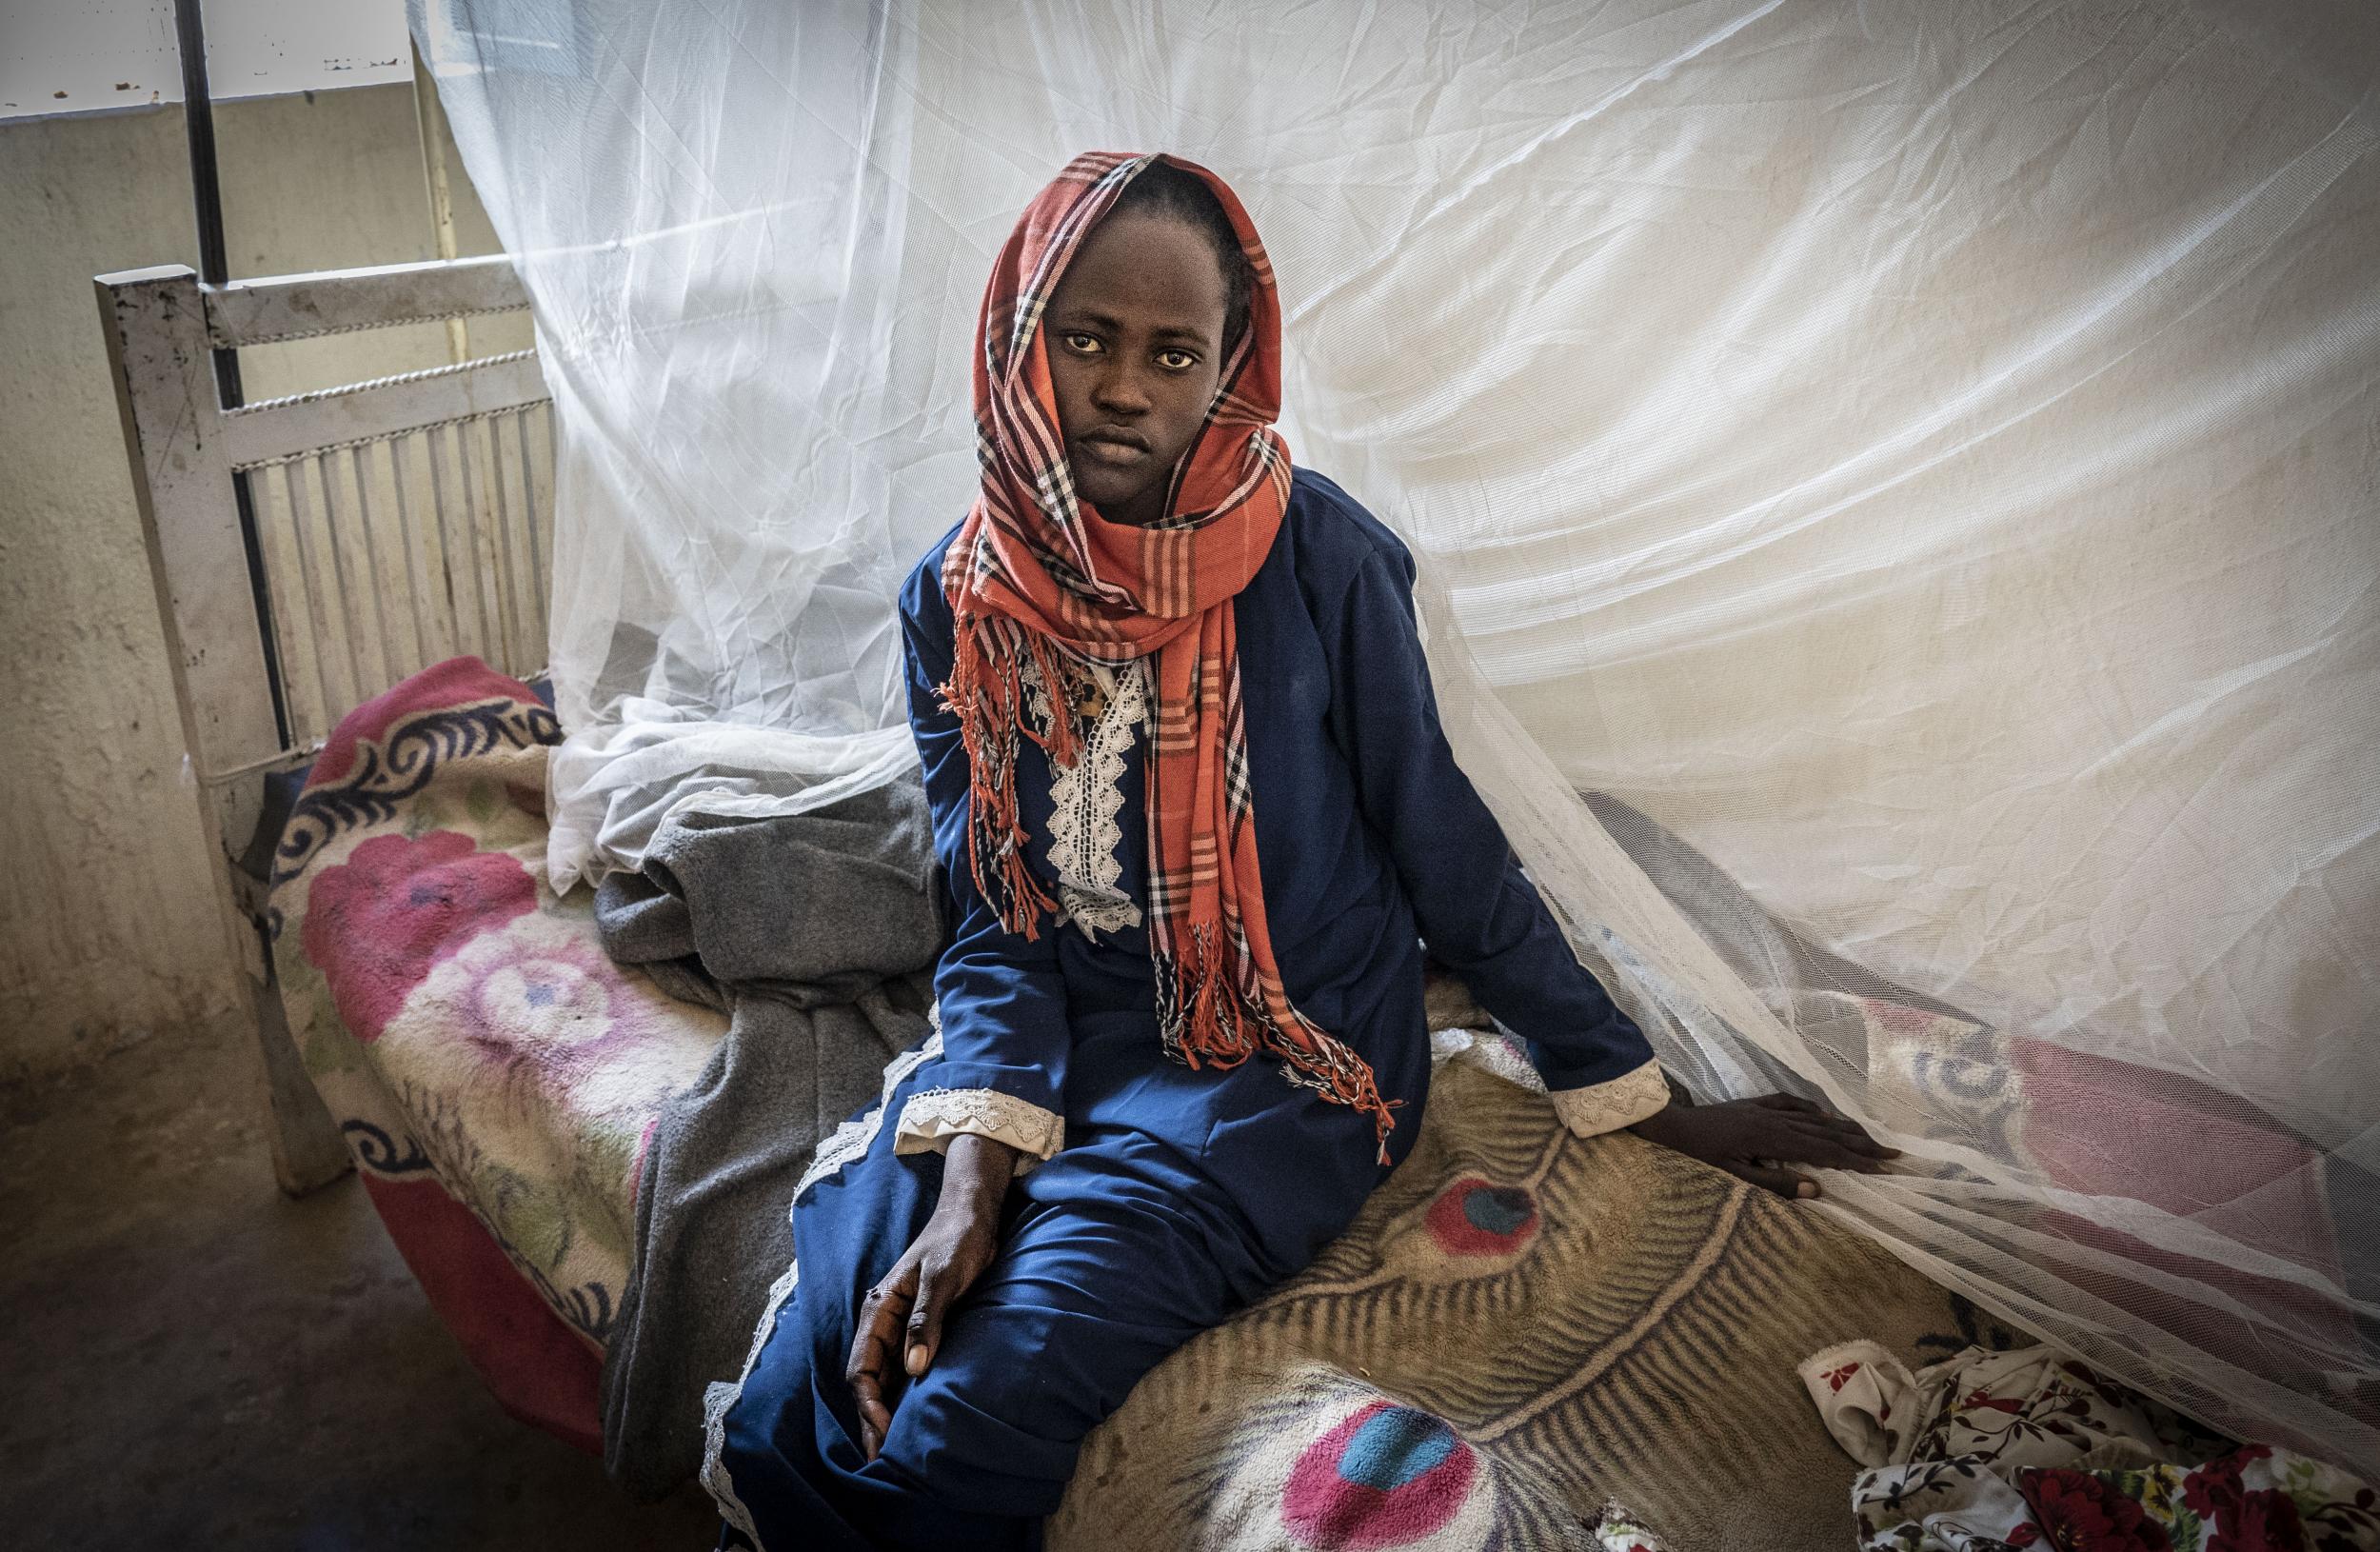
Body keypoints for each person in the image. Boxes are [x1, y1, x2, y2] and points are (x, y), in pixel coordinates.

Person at [709, 150, 1894, 1552]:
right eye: (1086, 340)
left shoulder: (1323, 560)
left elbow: (1447, 847)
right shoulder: (955, 598)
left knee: (966, 1408)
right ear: (1021, 341)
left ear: (1232, 369)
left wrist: (1628, 1091)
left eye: (1175, 352)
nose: (1128, 388)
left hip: (1272, 1067)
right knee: (814, 1375)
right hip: (1052, 1036)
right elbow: (993, 921)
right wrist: (976, 1168)